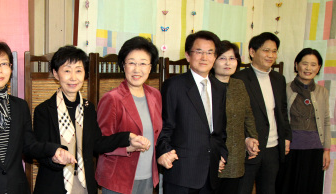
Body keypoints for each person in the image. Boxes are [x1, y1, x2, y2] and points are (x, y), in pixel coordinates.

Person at [0, 40, 76, 193]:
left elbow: (29, 146)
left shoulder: (19, 106)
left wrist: (54, 152)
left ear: (10, 68)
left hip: (16, 189)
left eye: (4, 64)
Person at [33, 45, 150, 194]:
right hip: (54, 185)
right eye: (67, 71)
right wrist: (55, 158)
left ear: (85, 74)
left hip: (84, 184)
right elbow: (38, 151)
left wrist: (127, 138)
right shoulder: (44, 110)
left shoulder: (88, 108)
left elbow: (97, 143)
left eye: (79, 71)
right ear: (56, 74)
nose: (73, 77)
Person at [157, 30, 228, 194]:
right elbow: (164, 126)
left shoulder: (219, 88)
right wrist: (164, 152)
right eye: (199, 52)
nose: (205, 57)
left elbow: (220, 130)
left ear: (215, 57)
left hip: (210, 172)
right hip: (181, 173)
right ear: (188, 55)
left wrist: (222, 154)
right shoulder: (174, 85)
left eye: (210, 52)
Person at [95, 36, 162, 194]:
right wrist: (128, 148)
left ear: (151, 67)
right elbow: (100, 143)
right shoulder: (112, 98)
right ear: (123, 65)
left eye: (143, 63)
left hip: (147, 177)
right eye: (131, 62)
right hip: (118, 179)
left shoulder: (155, 95)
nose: (137, 69)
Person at [232, 32, 291, 194]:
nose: (271, 55)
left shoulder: (279, 79)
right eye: (266, 50)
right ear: (252, 52)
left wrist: (286, 137)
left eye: (274, 51)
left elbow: (282, 112)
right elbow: (233, 118)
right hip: (249, 150)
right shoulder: (239, 79)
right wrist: (245, 139)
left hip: (273, 148)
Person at [275, 48, 330, 194]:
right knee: (286, 187)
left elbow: (325, 121)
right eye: (304, 63)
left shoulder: (322, 91)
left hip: (314, 150)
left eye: (313, 65)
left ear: (318, 68)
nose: (308, 68)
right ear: (296, 65)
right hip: (290, 150)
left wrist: (326, 150)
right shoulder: (284, 89)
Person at [211, 41, 259, 194]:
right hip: (213, 155)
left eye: (232, 58)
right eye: (222, 58)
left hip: (236, 154)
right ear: (213, 62)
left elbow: (248, 114)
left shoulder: (239, 85)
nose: (227, 63)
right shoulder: (206, 86)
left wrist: (252, 138)